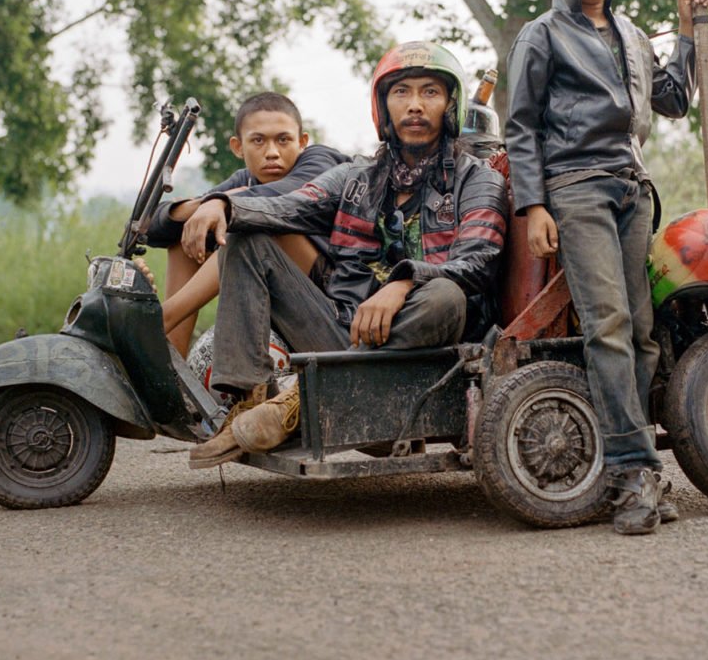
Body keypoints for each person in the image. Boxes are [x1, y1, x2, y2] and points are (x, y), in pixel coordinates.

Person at [184, 41, 509, 469]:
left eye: (430, 92)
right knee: (248, 238)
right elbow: (289, 205)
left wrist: (404, 281)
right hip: (344, 328)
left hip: (426, 339)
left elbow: (478, 260)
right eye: (401, 92)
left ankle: (295, 403)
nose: (415, 105)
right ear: (383, 105)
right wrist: (223, 204)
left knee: (446, 295)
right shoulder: (356, 176)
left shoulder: (476, 179)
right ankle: (249, 401)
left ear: (450, 104)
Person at [504, 0, 708, 536]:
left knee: (644, 332)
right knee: (610, 326)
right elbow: (521, 127)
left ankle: (639, 466)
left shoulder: (631, 34)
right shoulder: (542, 35)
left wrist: (685, 33)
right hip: (577, 189)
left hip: (634, 190)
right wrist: (534, 204)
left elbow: (673, 99)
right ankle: (629, 473)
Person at [144, 92, 349, 356]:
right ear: (238, 147)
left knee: (251, 221)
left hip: (331, 301)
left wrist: (223, 203)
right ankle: (170, 365)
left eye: (283, 140)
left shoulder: (321, 162)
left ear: (302, 142)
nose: (272, 152)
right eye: (259, 141)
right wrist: (205, 205)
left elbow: (280, 200)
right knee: (188, 235)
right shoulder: (245, 180)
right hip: (280, 294)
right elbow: (154, 227)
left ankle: (160, 320)